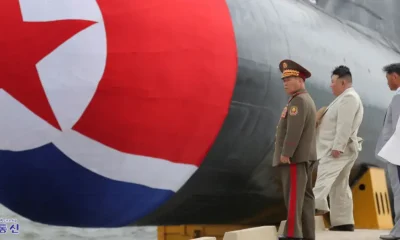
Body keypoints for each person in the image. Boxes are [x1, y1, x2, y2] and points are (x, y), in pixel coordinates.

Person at [312, 65, 364, 231]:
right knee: (340, 185)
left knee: (323, 180)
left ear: (343, 82)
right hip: (343, 148)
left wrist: (338, 147)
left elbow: (344, 125)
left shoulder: (349, 98)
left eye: (333, 82)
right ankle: (343, 222)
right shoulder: (346, 97)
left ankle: (307, 213)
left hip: (337, 150)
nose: (330, 85)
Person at [273, 59, 317, 240]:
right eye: (283, 80)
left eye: (288, 79)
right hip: (304, 157)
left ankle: (292, 234)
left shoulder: (298, 102)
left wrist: (286, 154)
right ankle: (307, 235)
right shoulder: (305, 99)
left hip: (294, 159)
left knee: (293, 198)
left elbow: (294, 131)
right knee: (306, 198)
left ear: (300, 80)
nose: (284, 83)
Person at [375, 63, 400, 240]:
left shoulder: (398, 97)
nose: (387, 83)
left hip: (396, 154)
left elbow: (397, 128)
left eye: (387, 79)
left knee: (399, 191)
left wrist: (390, 151)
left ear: (395, 77)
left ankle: (398, 231)